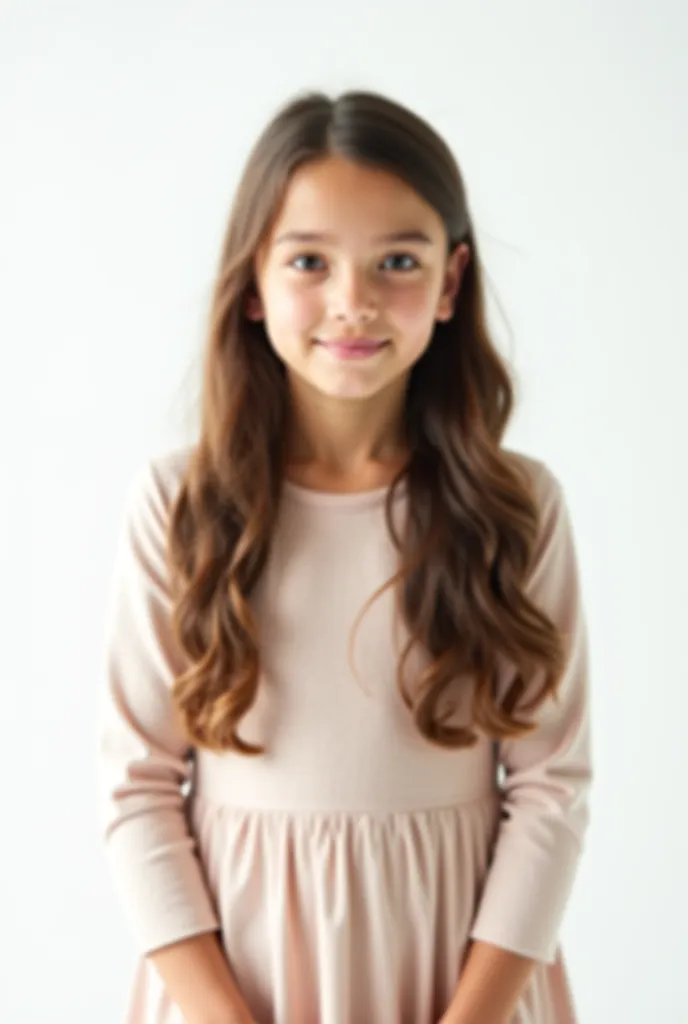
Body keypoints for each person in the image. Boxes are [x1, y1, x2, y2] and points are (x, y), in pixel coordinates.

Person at [97, 89, 592, 1024]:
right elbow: (137, 789)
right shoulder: (181, 504)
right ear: (252, 283)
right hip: (237, 979)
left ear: (450, 284)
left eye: (396, 261)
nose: (353, 301)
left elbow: (550, 791)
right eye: (310, 262)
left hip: (460, 976)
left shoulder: (516, 509)